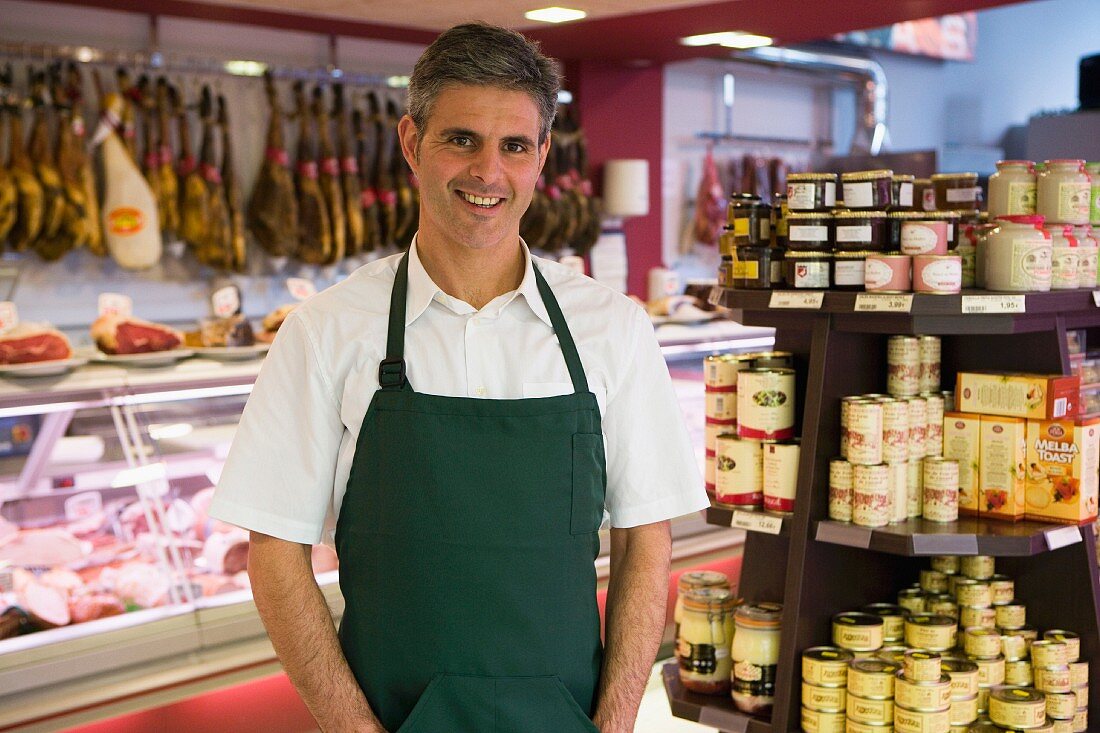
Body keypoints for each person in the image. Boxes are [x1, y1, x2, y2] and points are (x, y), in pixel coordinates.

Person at [209, 22, 707, 733]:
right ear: (413, 143)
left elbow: (644, 538)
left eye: (513, 146)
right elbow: (275, 553)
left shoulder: (612, 328)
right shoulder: (327, 330)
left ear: (541, 158)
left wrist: (617, 720)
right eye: (461, 139)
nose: (488, 173)